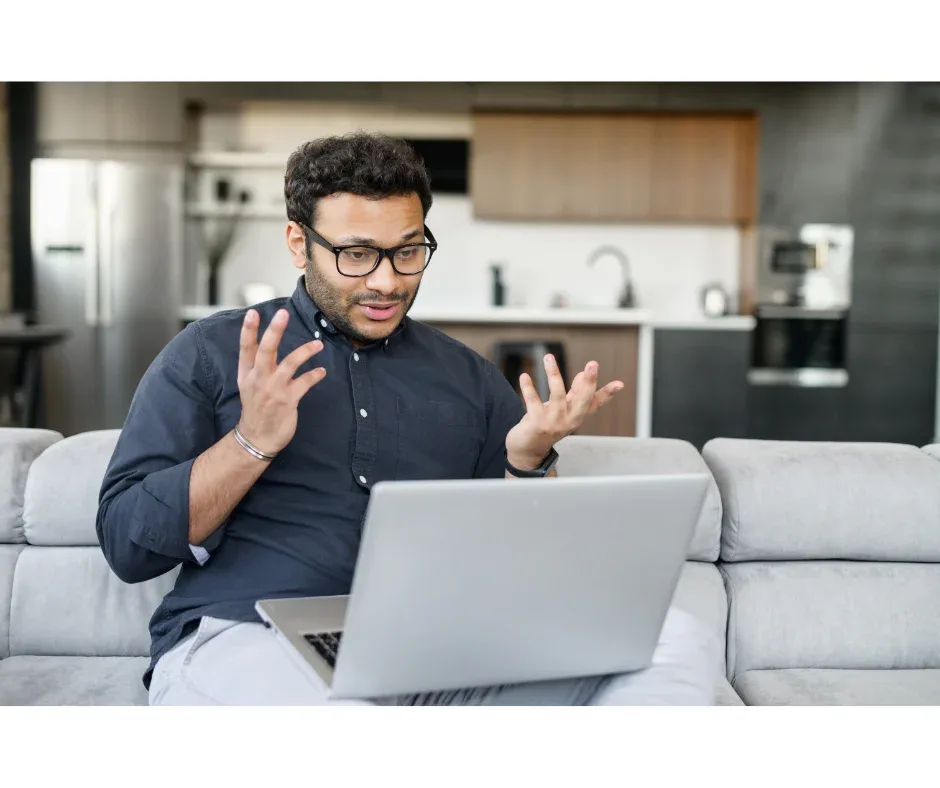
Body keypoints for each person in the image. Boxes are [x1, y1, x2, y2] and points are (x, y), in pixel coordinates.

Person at [96, 132, 721, 706]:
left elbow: (522, 559)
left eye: (408, 251)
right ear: (297, 243)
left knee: (676, 640)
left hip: (436, 645)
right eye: (357, 254)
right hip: (251, 639)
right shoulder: (212, 353)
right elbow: (128, 544)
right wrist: (249, 443)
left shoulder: (467, 376)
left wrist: (526, 461)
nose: (387, 282)